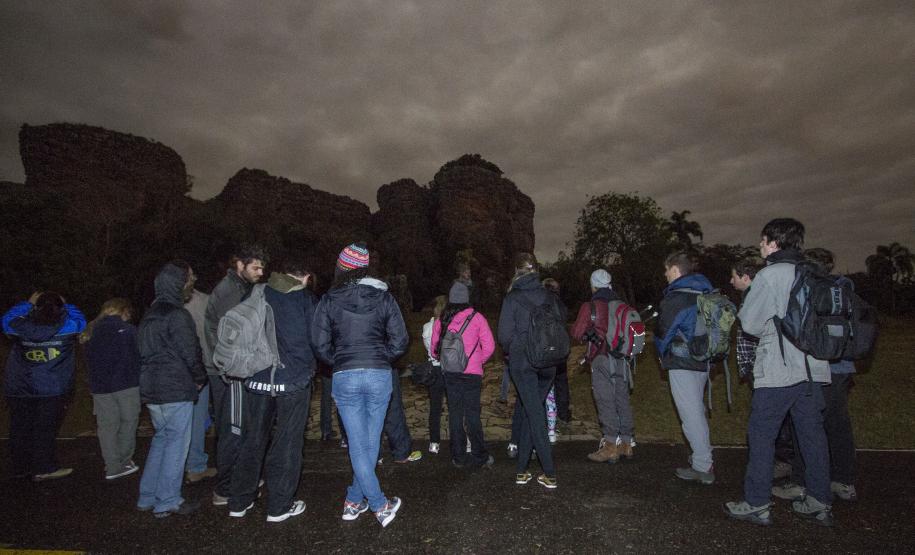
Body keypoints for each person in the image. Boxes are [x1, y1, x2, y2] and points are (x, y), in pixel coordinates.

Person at [724, 218, 834, 527]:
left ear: (773, 242)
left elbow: (750, 323)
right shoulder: (813, 272)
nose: (760, 246)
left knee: (761, 435)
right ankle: (819, 499)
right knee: (812, 435)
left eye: (762, 241)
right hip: (814, 367)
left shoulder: (770, 275)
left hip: (779, 368)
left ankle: (757, 502)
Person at [312, 242, 408, 527]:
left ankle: (353, 501)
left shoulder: (328, 299)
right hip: (379, 375)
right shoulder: (384, 298)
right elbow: (400, 340)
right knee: (368, 441)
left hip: (345, 376)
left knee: (359, 443)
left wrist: (338, 360)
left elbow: (318, 343)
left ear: (342, 267)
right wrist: (381, 357)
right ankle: (379, 505)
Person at [228, 264, 316, 523]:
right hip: (292, 382)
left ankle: (239, 501)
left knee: (252, 439)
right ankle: (279, 506)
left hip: (256, 379)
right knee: (287, 443)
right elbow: (316, 339)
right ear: (306, 276)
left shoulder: (256, 293)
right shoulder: (304, 299)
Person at [771, 247, 859, 503]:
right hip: (842, 367)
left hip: (815, 367)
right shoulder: (843, 289)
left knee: (806, 426)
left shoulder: (810, 289)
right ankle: (843, 480)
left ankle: (801, 482)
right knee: (838, 425)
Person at [137, 261, 206, 518]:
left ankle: (147, 495)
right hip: (175, 387)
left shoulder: (150, 313)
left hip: (152, 387)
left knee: (161, 439)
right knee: (177, 444)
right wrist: (199, 377)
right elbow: (190, 351)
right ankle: (167, 500)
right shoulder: (177, 315)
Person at [204, 244, 267, 506]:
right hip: (233, 372)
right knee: (234, 428)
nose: (260, 272)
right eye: (255, 267)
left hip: (236, 369)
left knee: (241, 426)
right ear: (239, 265)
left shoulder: (241, 288)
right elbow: (235, 337)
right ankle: (226, 488)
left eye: (262, 267)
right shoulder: (230, 292)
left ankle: (242, 476)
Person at [3, 291, 86, 481]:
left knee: (19, 428)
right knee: (45, 429)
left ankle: (20, 468)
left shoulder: (17, 327)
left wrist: (27, 303)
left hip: (20, 387)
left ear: (36, 307)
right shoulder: (68, 326)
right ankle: (43, 468)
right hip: (52, 388)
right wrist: (67, 304)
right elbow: (80, 318)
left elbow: (7, 318)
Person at [497, 253, 560, 489]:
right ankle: (522, 470)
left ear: (517, 270)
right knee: (528, 409)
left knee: (534, 414)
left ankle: (550, 472)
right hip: (548, 362)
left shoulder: (512, 298)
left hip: (524, 363)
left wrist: (515, 347)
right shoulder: (548, 295)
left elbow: (504, 335)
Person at [655, 252, 716, 484]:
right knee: (696, 410)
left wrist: (662, 356)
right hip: (703, 358)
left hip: (682, 360)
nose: (665, 274)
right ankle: (702, 455)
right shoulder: (704, 292)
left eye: (666, 269)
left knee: (690, 414)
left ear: (675, 270)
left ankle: (703, 464)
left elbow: (663, 333)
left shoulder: (677, 297)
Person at [571, 269, 635, 464]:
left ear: (593, 285)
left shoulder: (591, 306)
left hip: (601, 357)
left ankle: (609, 446)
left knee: (605, 398)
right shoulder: (622, 305)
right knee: (621, 397)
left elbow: (577, 333)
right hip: (622, 359)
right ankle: (626, 443)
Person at [430, 282, 496, 467]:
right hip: (472, 373)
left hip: (450, 373)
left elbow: (434, 348)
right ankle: (479, 455)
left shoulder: (442, 318)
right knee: (473, 414)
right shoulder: (477, 318)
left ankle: (458, 456)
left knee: (455, 414)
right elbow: (490, 346)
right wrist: (477, 361)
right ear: (467, 298)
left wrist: (445, 360)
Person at [81, 297, 142, 480]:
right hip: (126, 384)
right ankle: (124, 460)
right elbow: (138, 355)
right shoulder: (129, 330)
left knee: (107, 426)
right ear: (125, 311)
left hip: (100, 386)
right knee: (129, 422)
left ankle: (112, 465)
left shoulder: (91, 331)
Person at [182, 287, 217, 484]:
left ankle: (182, 465)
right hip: (198, 369)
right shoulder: (202, 301)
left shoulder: (159, 304)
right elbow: (208, 336)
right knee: (197, 418)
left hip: (171, 373)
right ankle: (195, 465)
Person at [542, 278, 571, 423]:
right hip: (560, 348)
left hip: (545, 348)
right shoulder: (560, 304)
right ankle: (563, 413)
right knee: (561, 381)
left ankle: (544, 413)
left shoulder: (541, 302)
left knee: (544, 381)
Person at [422, 295, 448, 454]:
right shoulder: (449, 326)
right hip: (448, 369)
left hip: (433, 369)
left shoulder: (427, 327)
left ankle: (434, 442)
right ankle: (462, 440)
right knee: (455, 406)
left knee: (435, 407)